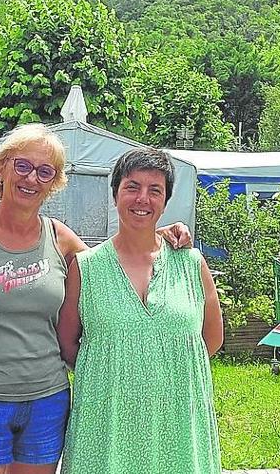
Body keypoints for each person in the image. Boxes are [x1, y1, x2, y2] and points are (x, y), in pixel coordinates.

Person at [0, 126, 191, 474]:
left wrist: (153, 234)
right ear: (2, 168)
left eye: (45, 171)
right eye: (22, 166)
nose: (31, 178)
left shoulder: (61, 239)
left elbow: (111, 265)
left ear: (53, 183)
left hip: (46, 401)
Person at [57, 147, 223, 474]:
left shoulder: (191, 264)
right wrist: (118, 367)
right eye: (132, 187)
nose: (142, 198)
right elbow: (67, 343)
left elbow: (212, 341)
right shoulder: (86, 268)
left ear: (165, 200)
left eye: (155, 190)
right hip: (106, 428)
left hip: (177, 426)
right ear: (115, 193)